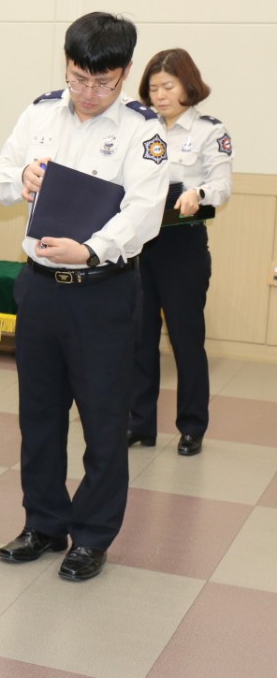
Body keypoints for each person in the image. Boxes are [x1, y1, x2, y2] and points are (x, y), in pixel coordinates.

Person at [0, 12, 169, 583]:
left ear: (125, 72)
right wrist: (21, 179)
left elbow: (144, 212)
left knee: (103, 419)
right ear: (67, 65)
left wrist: (90, 251)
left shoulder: (144, 131)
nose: (88, 93)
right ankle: (43, 522)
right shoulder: (41, 112)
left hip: (103, 292)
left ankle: (92, 535)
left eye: (103, 82)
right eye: (78, 78)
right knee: (38, 415)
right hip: (40, 287)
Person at [129, 49, 233, 457]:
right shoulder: (141, 128)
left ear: (188, 85)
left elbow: (222, 184)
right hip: (141, 243)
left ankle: (191, 426)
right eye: (153, 88)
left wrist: (198, 193)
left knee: (186, 339)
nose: (160, 95)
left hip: (182, 245)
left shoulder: (209, 130)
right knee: (140, 339)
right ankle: (140, 423)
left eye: (168, 86)